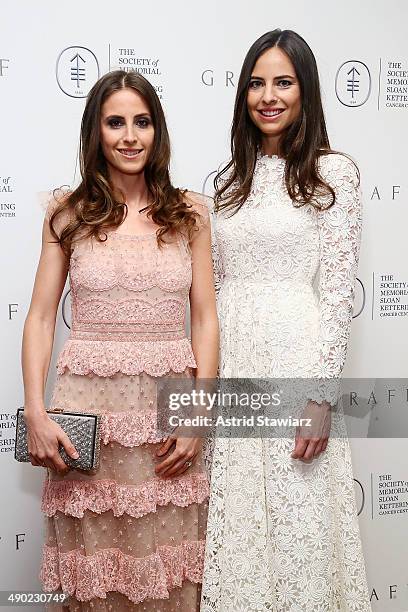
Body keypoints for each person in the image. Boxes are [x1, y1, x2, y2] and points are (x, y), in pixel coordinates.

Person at [21, 70, 219, 611]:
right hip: (89, 420)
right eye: (115, 122)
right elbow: (40, 319)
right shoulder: (69, 214)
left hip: (166, 420)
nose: (130, 136)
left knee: (169, 572)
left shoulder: (190, 214)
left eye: (142, 121)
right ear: (96, 132)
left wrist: (199, 414)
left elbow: (203, 319)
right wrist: (36, 412)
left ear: (157, 131)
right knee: (95, 579)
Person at [201, 30, 371, 611]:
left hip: (296, 364)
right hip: (236, 368)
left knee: (301, 525)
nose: (267, 96)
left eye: (282, 82)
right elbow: (215, 291)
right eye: (256, 83)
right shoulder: (224, 184)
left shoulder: (334, 175)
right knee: (242, 520)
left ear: (306, 91)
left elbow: (335, 295)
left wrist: (320, 396)